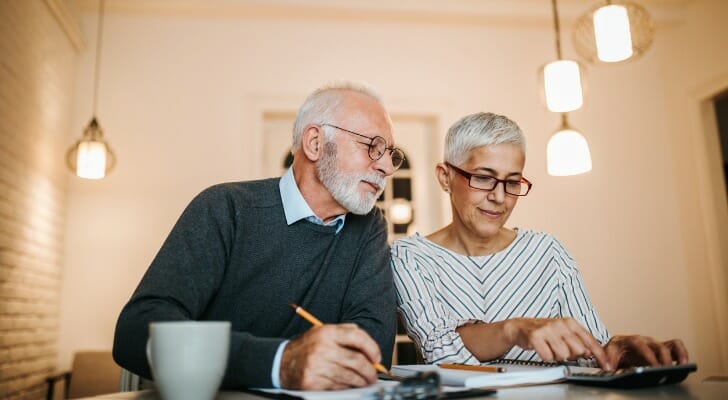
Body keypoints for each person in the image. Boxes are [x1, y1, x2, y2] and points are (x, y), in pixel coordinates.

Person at [113, 82, 405, 390]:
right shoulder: (225, 208)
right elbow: (136, 333)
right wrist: (280, 362)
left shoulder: (368, 227)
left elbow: (371, 351)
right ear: (315, 143)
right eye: (372, 146)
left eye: (390, 153)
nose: (386, 167)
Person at [391, 112, 689, 371]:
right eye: (483, 178)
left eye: (512, 182)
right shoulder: (410, 257)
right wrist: (513, 329)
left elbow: (591, 355)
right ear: (445, 178)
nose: (499, 196)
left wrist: (620, 349)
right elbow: (441, 352)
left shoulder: (548, 252)